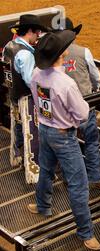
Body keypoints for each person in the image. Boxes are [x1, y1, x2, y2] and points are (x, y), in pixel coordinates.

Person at [28, 30, 100, 250]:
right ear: (62, 54)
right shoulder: (66, 83)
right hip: (63, 134)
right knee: (78, 184)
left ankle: (43, 205)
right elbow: (82, 114)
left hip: (45, 129)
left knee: (46, 169)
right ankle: (85, 232)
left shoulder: (35, 75)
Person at [58, 17, 100, 189]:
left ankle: (70, 179)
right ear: (73, 35)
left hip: (63, 109)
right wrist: (96, 88)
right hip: (84, 105)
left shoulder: (54, 55)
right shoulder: (83, 52)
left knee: (68, 144)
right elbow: (95, 77)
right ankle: (96, 178)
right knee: (91, 142)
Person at [2, 14, 48, 183]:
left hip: (13, 95)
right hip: (26, 99)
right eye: (37, 33)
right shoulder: (26, 54)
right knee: (32, 135)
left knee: (17, 129)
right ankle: (34, 172)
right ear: (30, 31)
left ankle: (16, 158)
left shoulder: (9, 45)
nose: (38, 37)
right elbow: (31, 82)